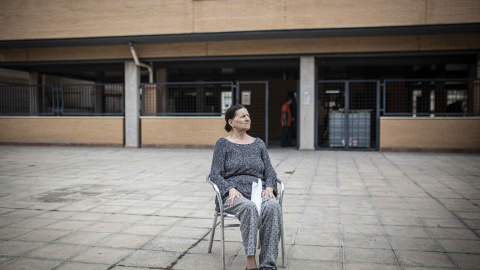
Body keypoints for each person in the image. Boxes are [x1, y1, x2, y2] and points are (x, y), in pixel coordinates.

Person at [209, 104, 282, 270]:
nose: (247, 118)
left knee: (272, 206)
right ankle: (251, 263)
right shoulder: (223, 144)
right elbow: (215, 174)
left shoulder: (258, 144)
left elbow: (270, 171)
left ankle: (268, 265)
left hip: (258, 190)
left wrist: (270, 188)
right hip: (233, 194)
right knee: (248, 207)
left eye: (247, 115)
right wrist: (229, 188)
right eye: (242, 116)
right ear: (231, 122)